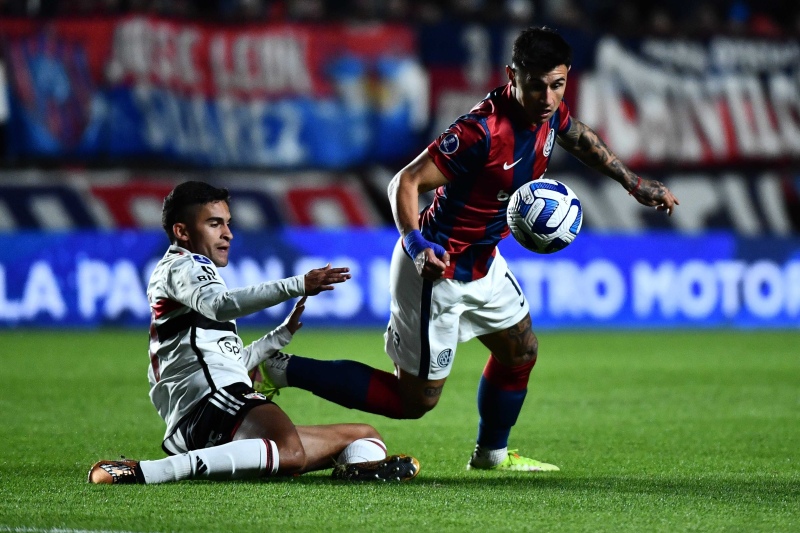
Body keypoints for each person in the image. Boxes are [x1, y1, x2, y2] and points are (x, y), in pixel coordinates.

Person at [252, 27, 679, 472]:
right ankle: (278, 368)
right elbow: (406, 182)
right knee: (414, 401)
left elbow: (576, 135)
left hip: (484, 261)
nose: (549, 97)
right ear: (512, 75)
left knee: (521, 352)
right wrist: (417, 244)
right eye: (536, 85)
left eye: (558, 85)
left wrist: (635, 183)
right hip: (436, 269)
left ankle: (491, 456)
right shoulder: (480, 132)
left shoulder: (547, 111)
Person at [87, 181, 420, 484]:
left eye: (228, 223)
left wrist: (278, 337)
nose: (227, 234)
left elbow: (227, 361)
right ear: (182, 231)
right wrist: (297, 284)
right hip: (210, 404)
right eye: (214, 223)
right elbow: (221, 305)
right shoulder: (184, 265)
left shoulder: (189, 282)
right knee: (289, 451)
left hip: (213, 407)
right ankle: (149, 471)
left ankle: (347, 475)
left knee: (364, 437)